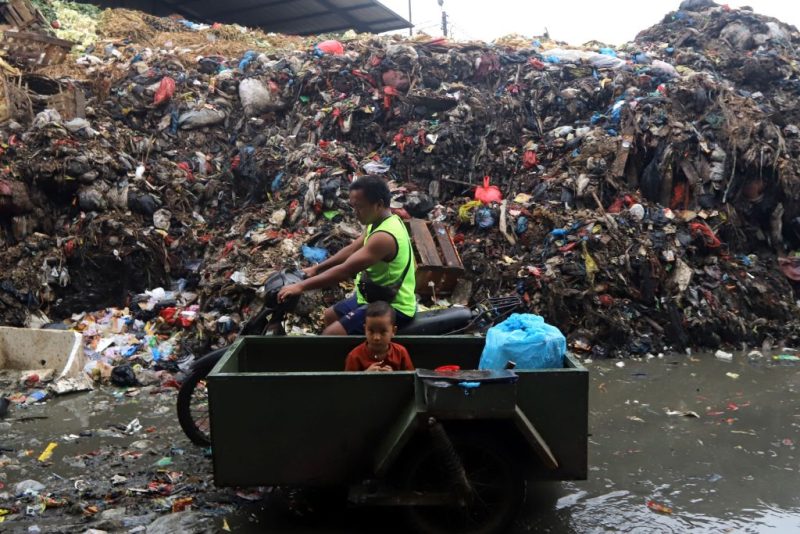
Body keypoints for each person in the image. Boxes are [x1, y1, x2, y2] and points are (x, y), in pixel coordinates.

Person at [278, 175, 416, 335]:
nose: (355, 213)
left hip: (393, 305)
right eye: (353, 207)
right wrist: (317, 269)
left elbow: (346, 270)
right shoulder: (379, 222)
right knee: (329, 316)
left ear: (378, 204)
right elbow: (352, 250)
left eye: (359, 207)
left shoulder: (384, 237)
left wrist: (300, 287)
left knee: (329, 335)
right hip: (374, 295)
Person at [345, 301, 414, 372]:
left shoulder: (400, 352)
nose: (376, 338)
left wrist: (394, 377)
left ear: (393, 331)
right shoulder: (355, 356)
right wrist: (365, 375)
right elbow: (348, 382)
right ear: (365, 329)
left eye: (383, 332)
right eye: (371, 331)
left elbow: (411, 379)